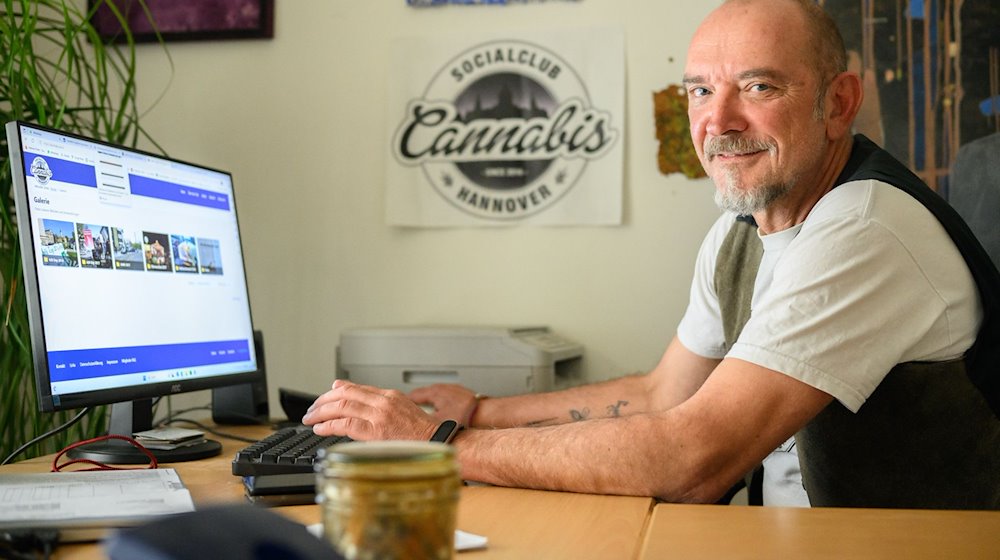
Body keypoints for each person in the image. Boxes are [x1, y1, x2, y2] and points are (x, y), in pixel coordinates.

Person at [303, 0, 1000, 509]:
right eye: (701, 90)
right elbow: (664, 394)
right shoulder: (742, 230)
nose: (719, 121)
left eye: (758, 87)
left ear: (838, 103)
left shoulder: (864, 231)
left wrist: (437, 445)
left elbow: (692, 459)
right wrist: (475, 412)